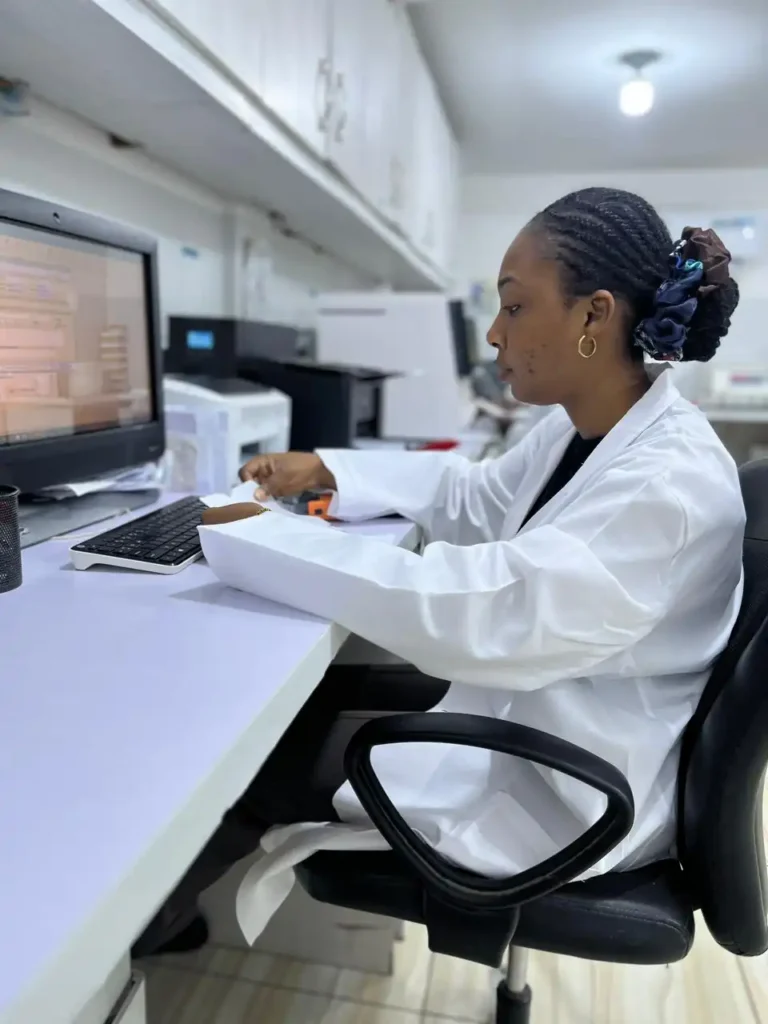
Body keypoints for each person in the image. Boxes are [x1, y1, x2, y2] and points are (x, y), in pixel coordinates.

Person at [133, 187, 744, 958]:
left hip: (562, 790)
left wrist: (254, 537)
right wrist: (328, 470)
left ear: (593, 316)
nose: (493, 333)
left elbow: (477, 613)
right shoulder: (585, 429)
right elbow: (473, 496)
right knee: (290, 708)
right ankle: (165, 921)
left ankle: (129, 940)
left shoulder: (668, 484)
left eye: (515, 307)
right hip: (539, 713)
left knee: (236, 756)